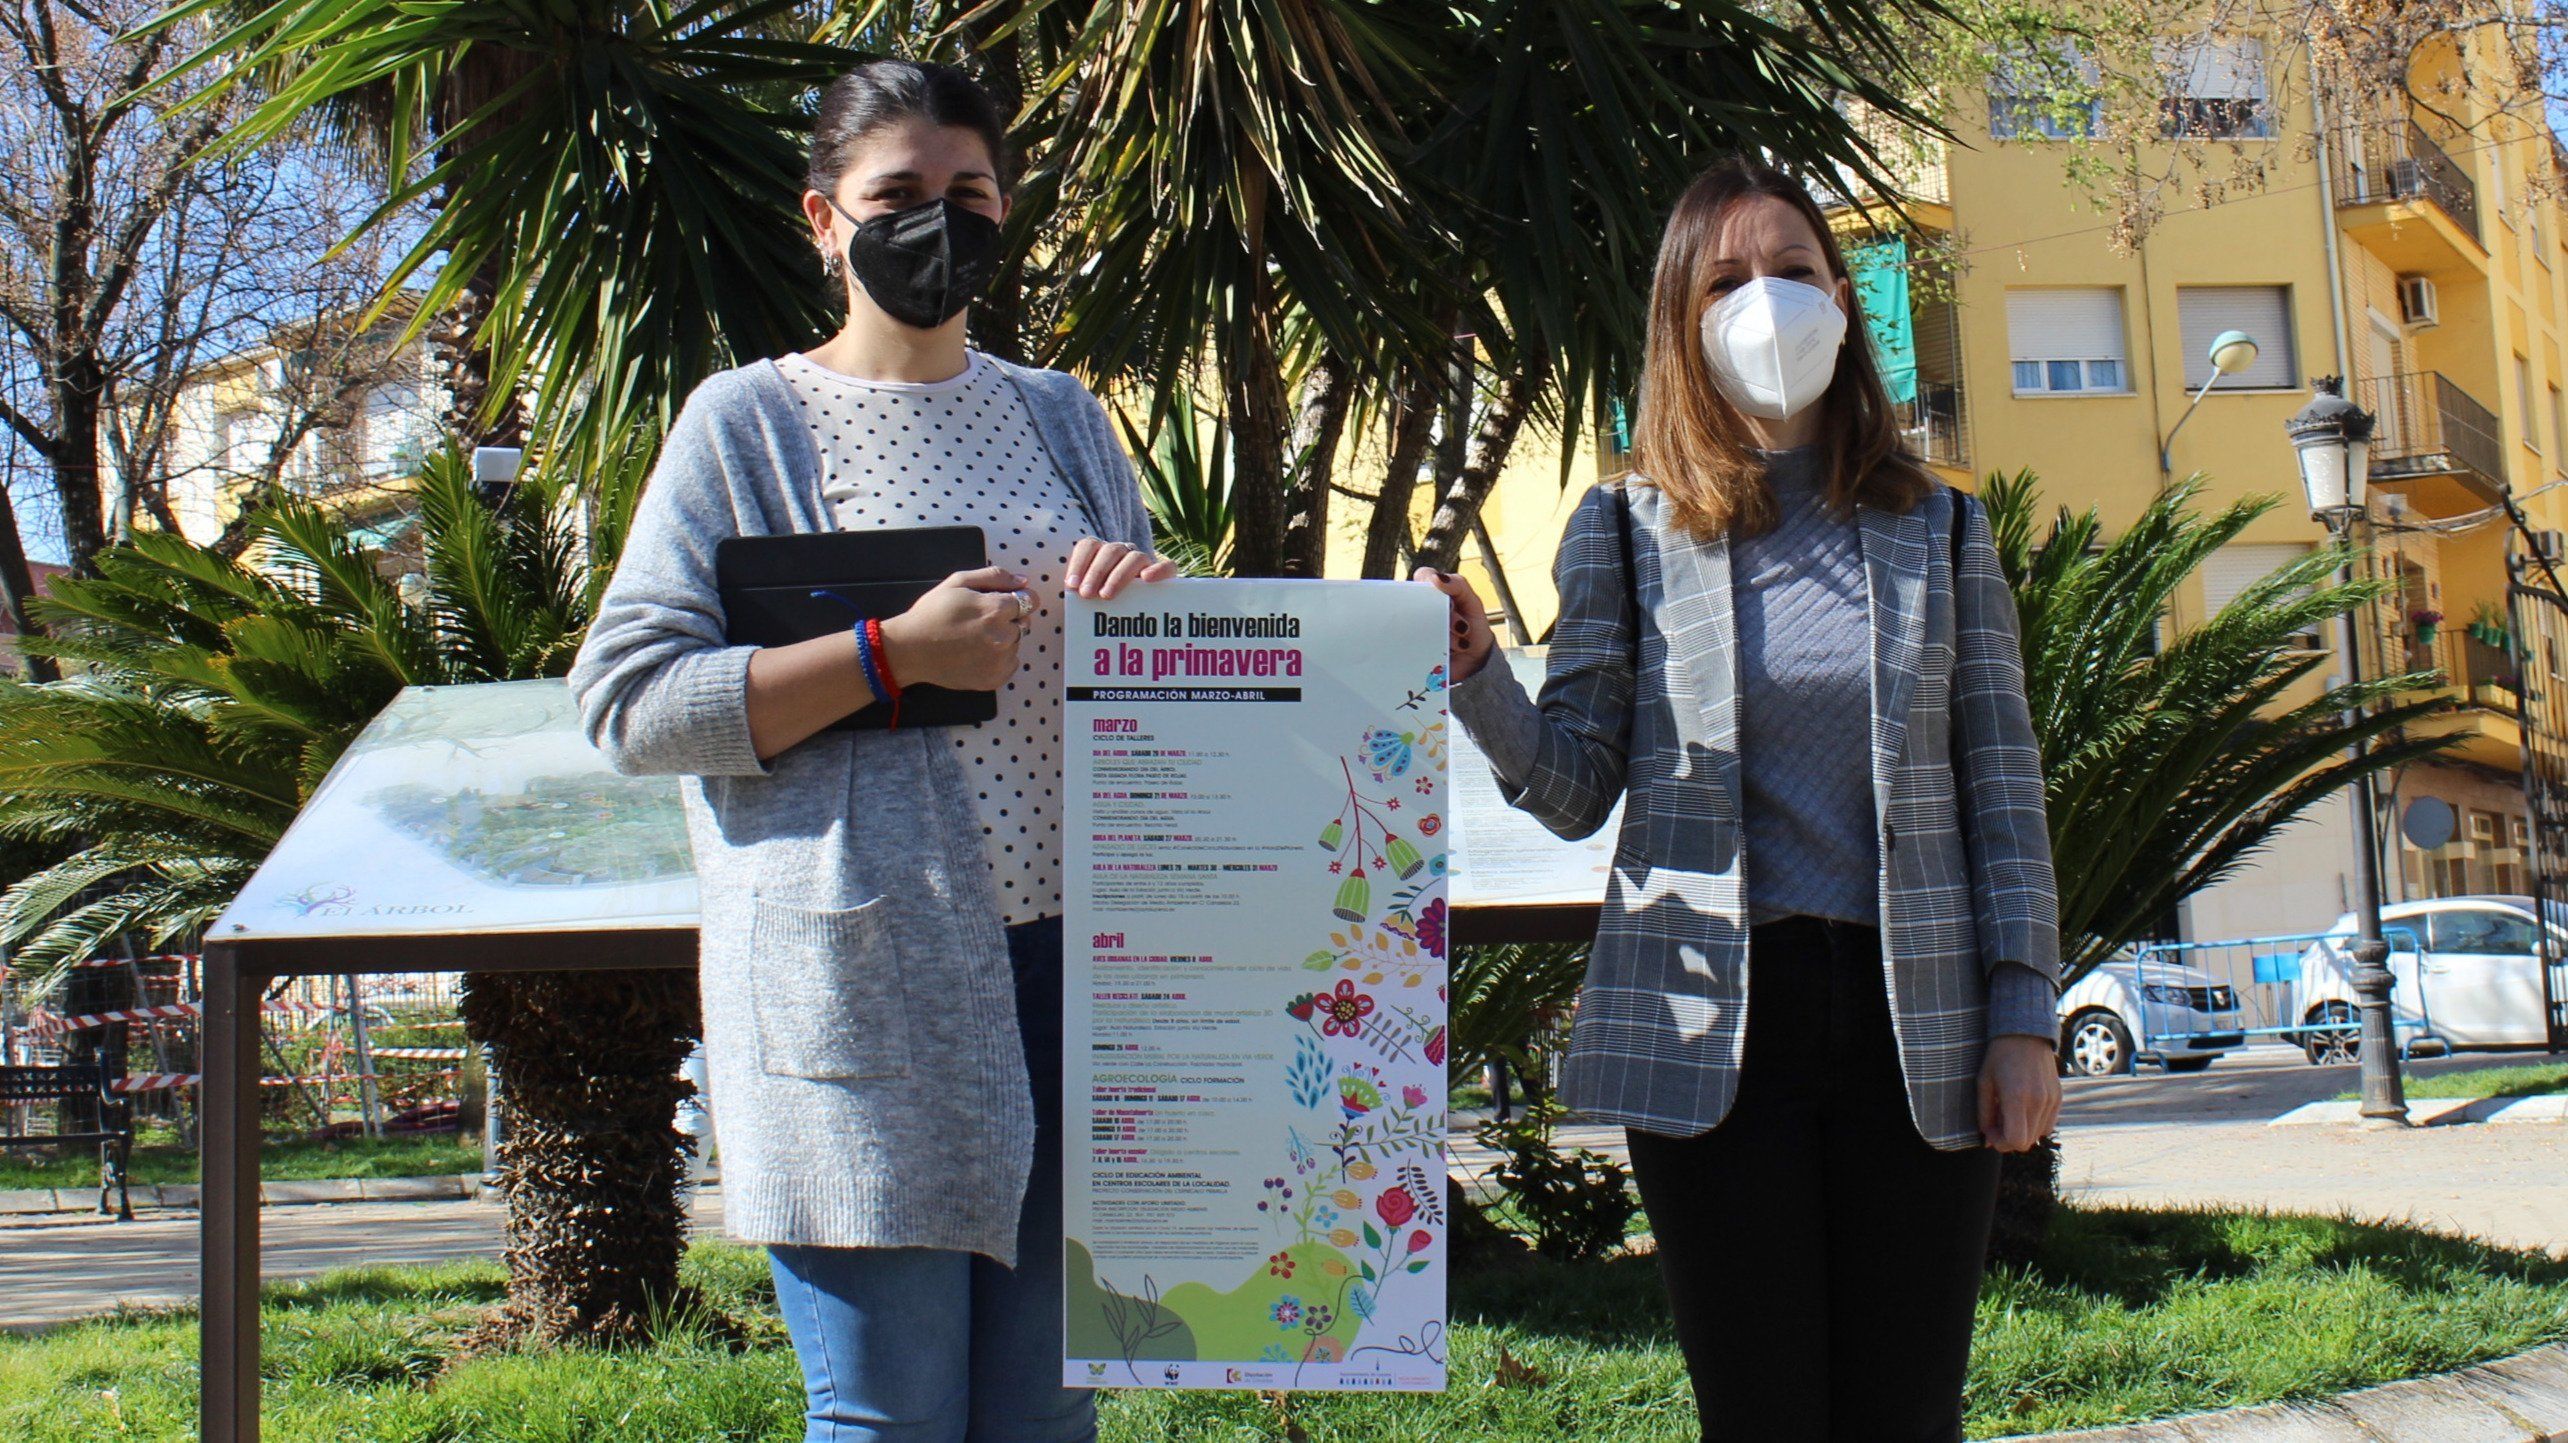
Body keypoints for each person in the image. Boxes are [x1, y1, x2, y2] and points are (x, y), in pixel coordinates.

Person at [568, 58, 1175, 1443]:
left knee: (1049, 1419)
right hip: (869, 986)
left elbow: (1153, 671)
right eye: (895, 194)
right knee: (892, 1416)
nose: (936, 223)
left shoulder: (1062, 415)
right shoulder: (749, 422)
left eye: (967, 193)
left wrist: (1155, 610)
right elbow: (629, 701)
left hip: (1082, 976)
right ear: (823, 220)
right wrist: (887, 654)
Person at [1416, 154, 2064, 1443]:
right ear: (1682, 322)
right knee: (1759, 1413)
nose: (1767, 300)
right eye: (1727, 280)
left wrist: (2025, 1018)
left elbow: (2004, 790)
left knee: (1905, 1412)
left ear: (1842, 297)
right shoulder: (1626, 528)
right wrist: (1482, 674)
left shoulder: (1940, 528)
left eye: (1795, 271)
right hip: (1708, 1027)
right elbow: (1572, 786)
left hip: (1916, 1024)